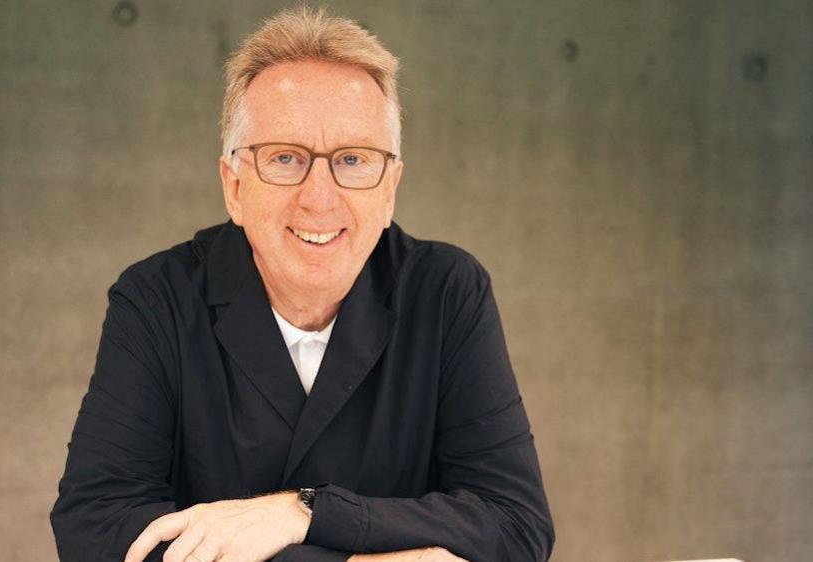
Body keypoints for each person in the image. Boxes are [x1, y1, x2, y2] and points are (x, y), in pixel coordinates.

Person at [50, 7, 553, 562]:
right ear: (234, 186)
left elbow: (516, 526)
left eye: (354, 160)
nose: (320, 197)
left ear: (390, 189)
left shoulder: (447, 292)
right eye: (285, 158)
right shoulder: (156, 299)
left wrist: (301, 511)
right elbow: (96, 526)